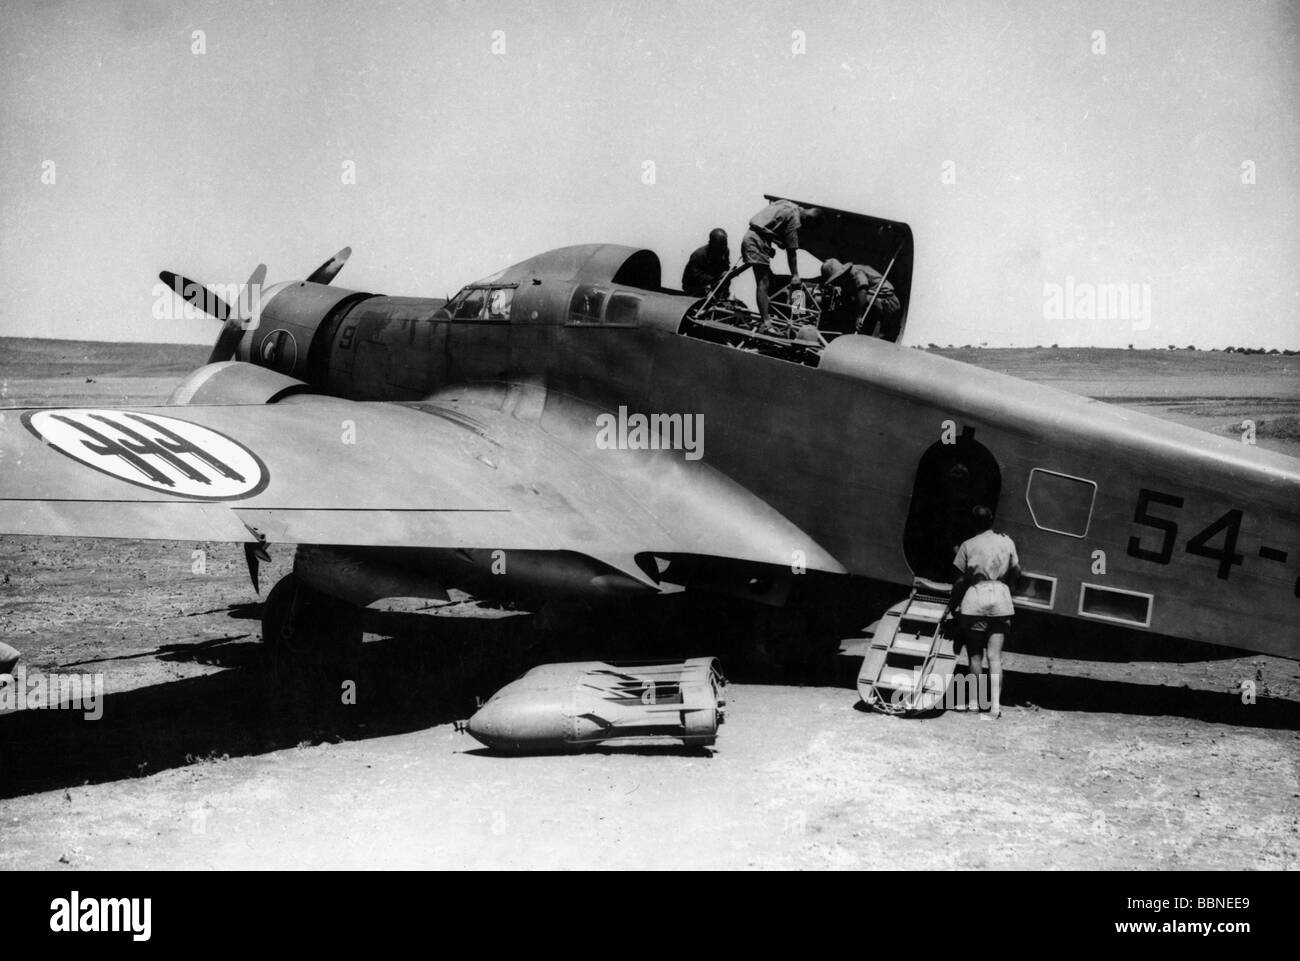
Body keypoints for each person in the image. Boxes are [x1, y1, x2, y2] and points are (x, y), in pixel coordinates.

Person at [949, 505, 1020, 718]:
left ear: (973, 522)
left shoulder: (967, 545)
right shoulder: (1007, 542)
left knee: (974, 655)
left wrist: (952, 604)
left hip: (975, 600)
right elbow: (1017, 570)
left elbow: (960, 579)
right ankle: (995, 706)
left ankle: (973, 703)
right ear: (991, 520)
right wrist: (1009, 588)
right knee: (995, 657)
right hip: (1001, 600)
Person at [741, 201, 821, 329]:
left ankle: (791, 314)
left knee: (770, 280)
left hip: (756, 237)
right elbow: (791, 251)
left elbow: (767, 222)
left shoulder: (790, 205)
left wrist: (774, 241)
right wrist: (795, 275)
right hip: (756, 241)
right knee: (764, 282)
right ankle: (767, 322)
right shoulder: (796, 220)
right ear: (809, 221)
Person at [819, 258, 902, 339]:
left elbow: (862, 290)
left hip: (889, 303)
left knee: (864, 299)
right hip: (877, 304)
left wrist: (859, 316)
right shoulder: (846, 280)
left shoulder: (855, 272)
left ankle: (874, 335)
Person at [681, 228, 731, 298]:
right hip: (693, 286)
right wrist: (716, 278)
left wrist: (727, 272)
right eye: (719, 247)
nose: (723, 249)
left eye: (725, 245)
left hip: (712, 283)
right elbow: (696, 277)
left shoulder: (725, 251)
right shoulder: (698, 255)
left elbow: (725, 266)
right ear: (711, 243)